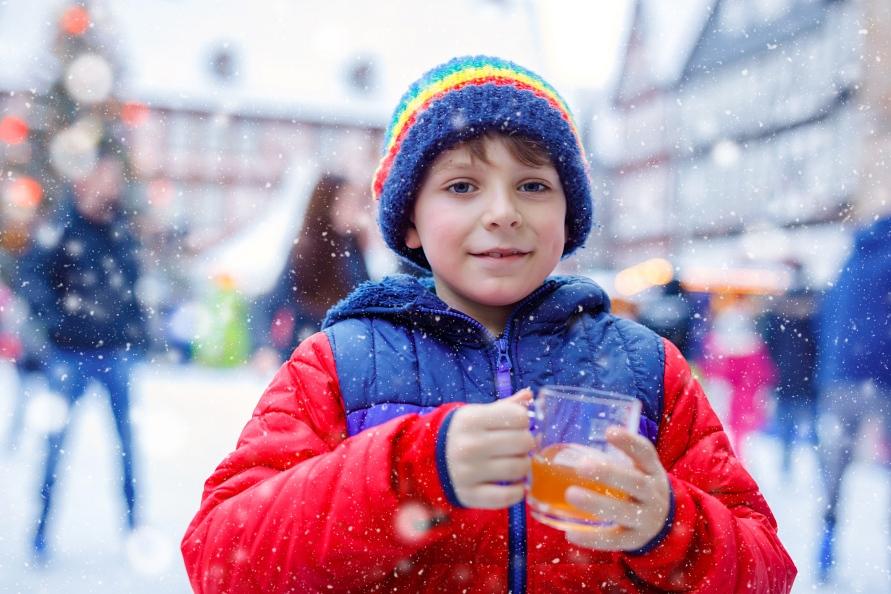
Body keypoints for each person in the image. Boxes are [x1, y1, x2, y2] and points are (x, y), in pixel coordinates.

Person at [181, 56, 795, 593]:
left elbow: (766, 569)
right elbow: (220, 561)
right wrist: (410, 473)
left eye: (532, 185)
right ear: (411, 222)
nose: (502, 212)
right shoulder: (338, 366)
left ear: (569, 216)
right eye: (462, 185)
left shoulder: (646, 368)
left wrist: (668, 524)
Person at [18, 154, 148, 563]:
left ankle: (133, 527)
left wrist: (136, 330)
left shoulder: (120, 230)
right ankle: (40, 530)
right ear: (83, 182)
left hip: (116, 354)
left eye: (114, 180)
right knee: (55, 446)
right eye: (103, 179)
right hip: (69, 354)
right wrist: (57, 319)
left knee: (126, 444)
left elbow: (132, 286)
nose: (110, 188)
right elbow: (33, 279)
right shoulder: (60, 228)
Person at [814, 214, 891, 584]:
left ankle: (827, 535)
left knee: (836, 461)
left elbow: (827, 320)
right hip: (883, 377)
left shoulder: (852, 258)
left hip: (840, 378)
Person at [250, 173, 370, 366]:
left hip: (347, 356)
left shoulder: (353, 245)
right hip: (309, 357)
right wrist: (263, 347)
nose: (356, 209)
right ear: (328, 206)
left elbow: (366, 299)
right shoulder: (306, 251)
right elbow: (267, 303)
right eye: (348, 202)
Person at [758, 264, 819, 476]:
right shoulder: (812, 317)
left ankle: (792, 471)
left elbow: (770, 347)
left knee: (793, 431)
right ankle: (812, 475)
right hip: (804, 382)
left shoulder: (780, 316)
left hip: (792, 381)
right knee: (809, 433)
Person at [700, 298, 777, 462]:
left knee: (740, 442)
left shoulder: (721, 350)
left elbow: (713, 375)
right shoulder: (753, 350)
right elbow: (764, 376)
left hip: (734, 405)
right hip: (741, 406)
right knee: (745, 443)